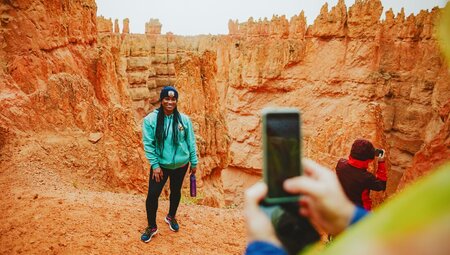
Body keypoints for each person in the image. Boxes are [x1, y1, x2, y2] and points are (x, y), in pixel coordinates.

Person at [244, 158, 368, 255]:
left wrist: (263, 247)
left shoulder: (342, 165)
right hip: (354, 212)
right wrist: (347, 215)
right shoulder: (365, 177)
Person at [140, 86, 198, 243]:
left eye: (173, 99)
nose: (170, 102)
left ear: (176, 101)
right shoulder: (151, 120)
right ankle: (152, 226)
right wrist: (155, 165)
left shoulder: (184, 120)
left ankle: (171, 216)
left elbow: (190, 141)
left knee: (176, 191)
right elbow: (148, 144)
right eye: (167, 98)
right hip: (161, 166)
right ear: (162, 100)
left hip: (181, 164)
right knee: (153, 195)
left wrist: (193, 161)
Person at [335, 139, 387, 211]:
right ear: (369, 160)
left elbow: (353, 162)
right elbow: (381, 185)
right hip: (360, 212)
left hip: (343, 206)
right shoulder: (366, 178)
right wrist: (381, 162)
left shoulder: (340, 165)